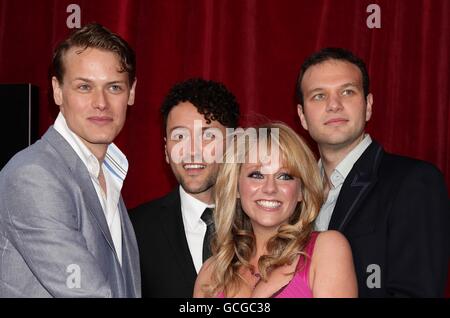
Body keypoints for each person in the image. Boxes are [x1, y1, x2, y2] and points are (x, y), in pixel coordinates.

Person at [0, 23, 140, 297]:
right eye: (84, 87)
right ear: (57, 90)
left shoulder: (109, 173)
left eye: (113, 87)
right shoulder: (33, 176)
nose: (101, 102)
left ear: (131, 92)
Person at [296, 47, 450, 297]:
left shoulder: (415, 182)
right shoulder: (290, 192)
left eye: (347, 92)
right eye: (318, 96)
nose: (334, 105)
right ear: (302, 116)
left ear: (368, 105)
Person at [194, 122, 357, 298]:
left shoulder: (326, 250)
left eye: (284, 176)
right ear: (236, 187)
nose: (270, 188)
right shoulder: (211, 274)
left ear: (301, 191)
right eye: (256, 175)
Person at [130, 78, 240, 297]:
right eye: (179, 136)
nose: (192, 150)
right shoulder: (133, 229)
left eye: (208, 136)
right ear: (166, 150)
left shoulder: (263, 221)